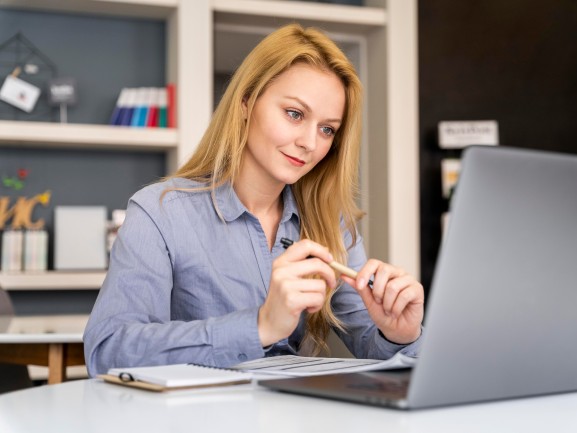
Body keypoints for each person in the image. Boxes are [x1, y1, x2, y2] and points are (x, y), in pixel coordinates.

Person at [83, 24, 424, 376]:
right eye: (295, 114)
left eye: (327, 129)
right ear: (246, 101)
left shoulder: (329, 223)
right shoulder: (160, 212)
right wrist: (260, 327)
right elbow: (108, 351)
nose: (310, 142)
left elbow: (375, 347)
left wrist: (398, 333)